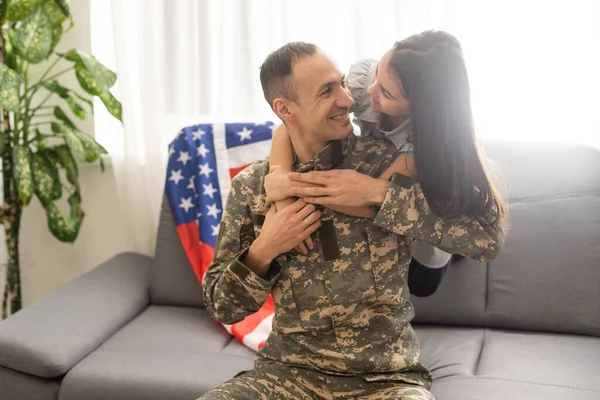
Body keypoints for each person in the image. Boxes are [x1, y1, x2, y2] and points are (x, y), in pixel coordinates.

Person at [198, 41, 506, 400]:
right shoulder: (253, 189)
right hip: (287, 377)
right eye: (327, 91)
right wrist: (264, 249)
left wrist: (381, 195)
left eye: (343, 83)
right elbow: (223, 306)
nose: (347, 100)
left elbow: (486, 239)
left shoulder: (388, 166)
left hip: (388, 382)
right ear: (284, 108)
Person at [266, 30, 479, 298]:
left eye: (386, 93)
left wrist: (290, 189)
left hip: (418, 242)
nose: (368, 91)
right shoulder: (366, 83)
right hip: (375, 179)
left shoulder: (423, 145)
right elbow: (288, 125)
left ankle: (453, 254)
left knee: (421, 282)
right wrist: (279, 176)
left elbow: (372, 204)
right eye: (378, 72)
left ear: (419, 109)